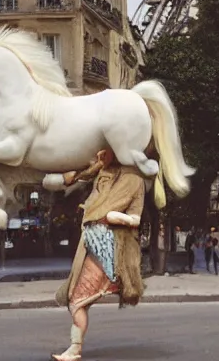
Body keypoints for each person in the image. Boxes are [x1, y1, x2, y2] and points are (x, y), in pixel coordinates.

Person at [51, 148, 146, 361]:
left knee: (76, 301)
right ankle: (74, 348)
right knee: (75, 300)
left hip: (106, 244)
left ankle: (75, 349)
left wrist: (115, 217)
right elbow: (73, 179)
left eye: (106, 150)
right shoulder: (102, 172)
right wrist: (96, 164)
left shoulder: (134, 180)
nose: (100, 153)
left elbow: (135, 218)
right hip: (90, 240)